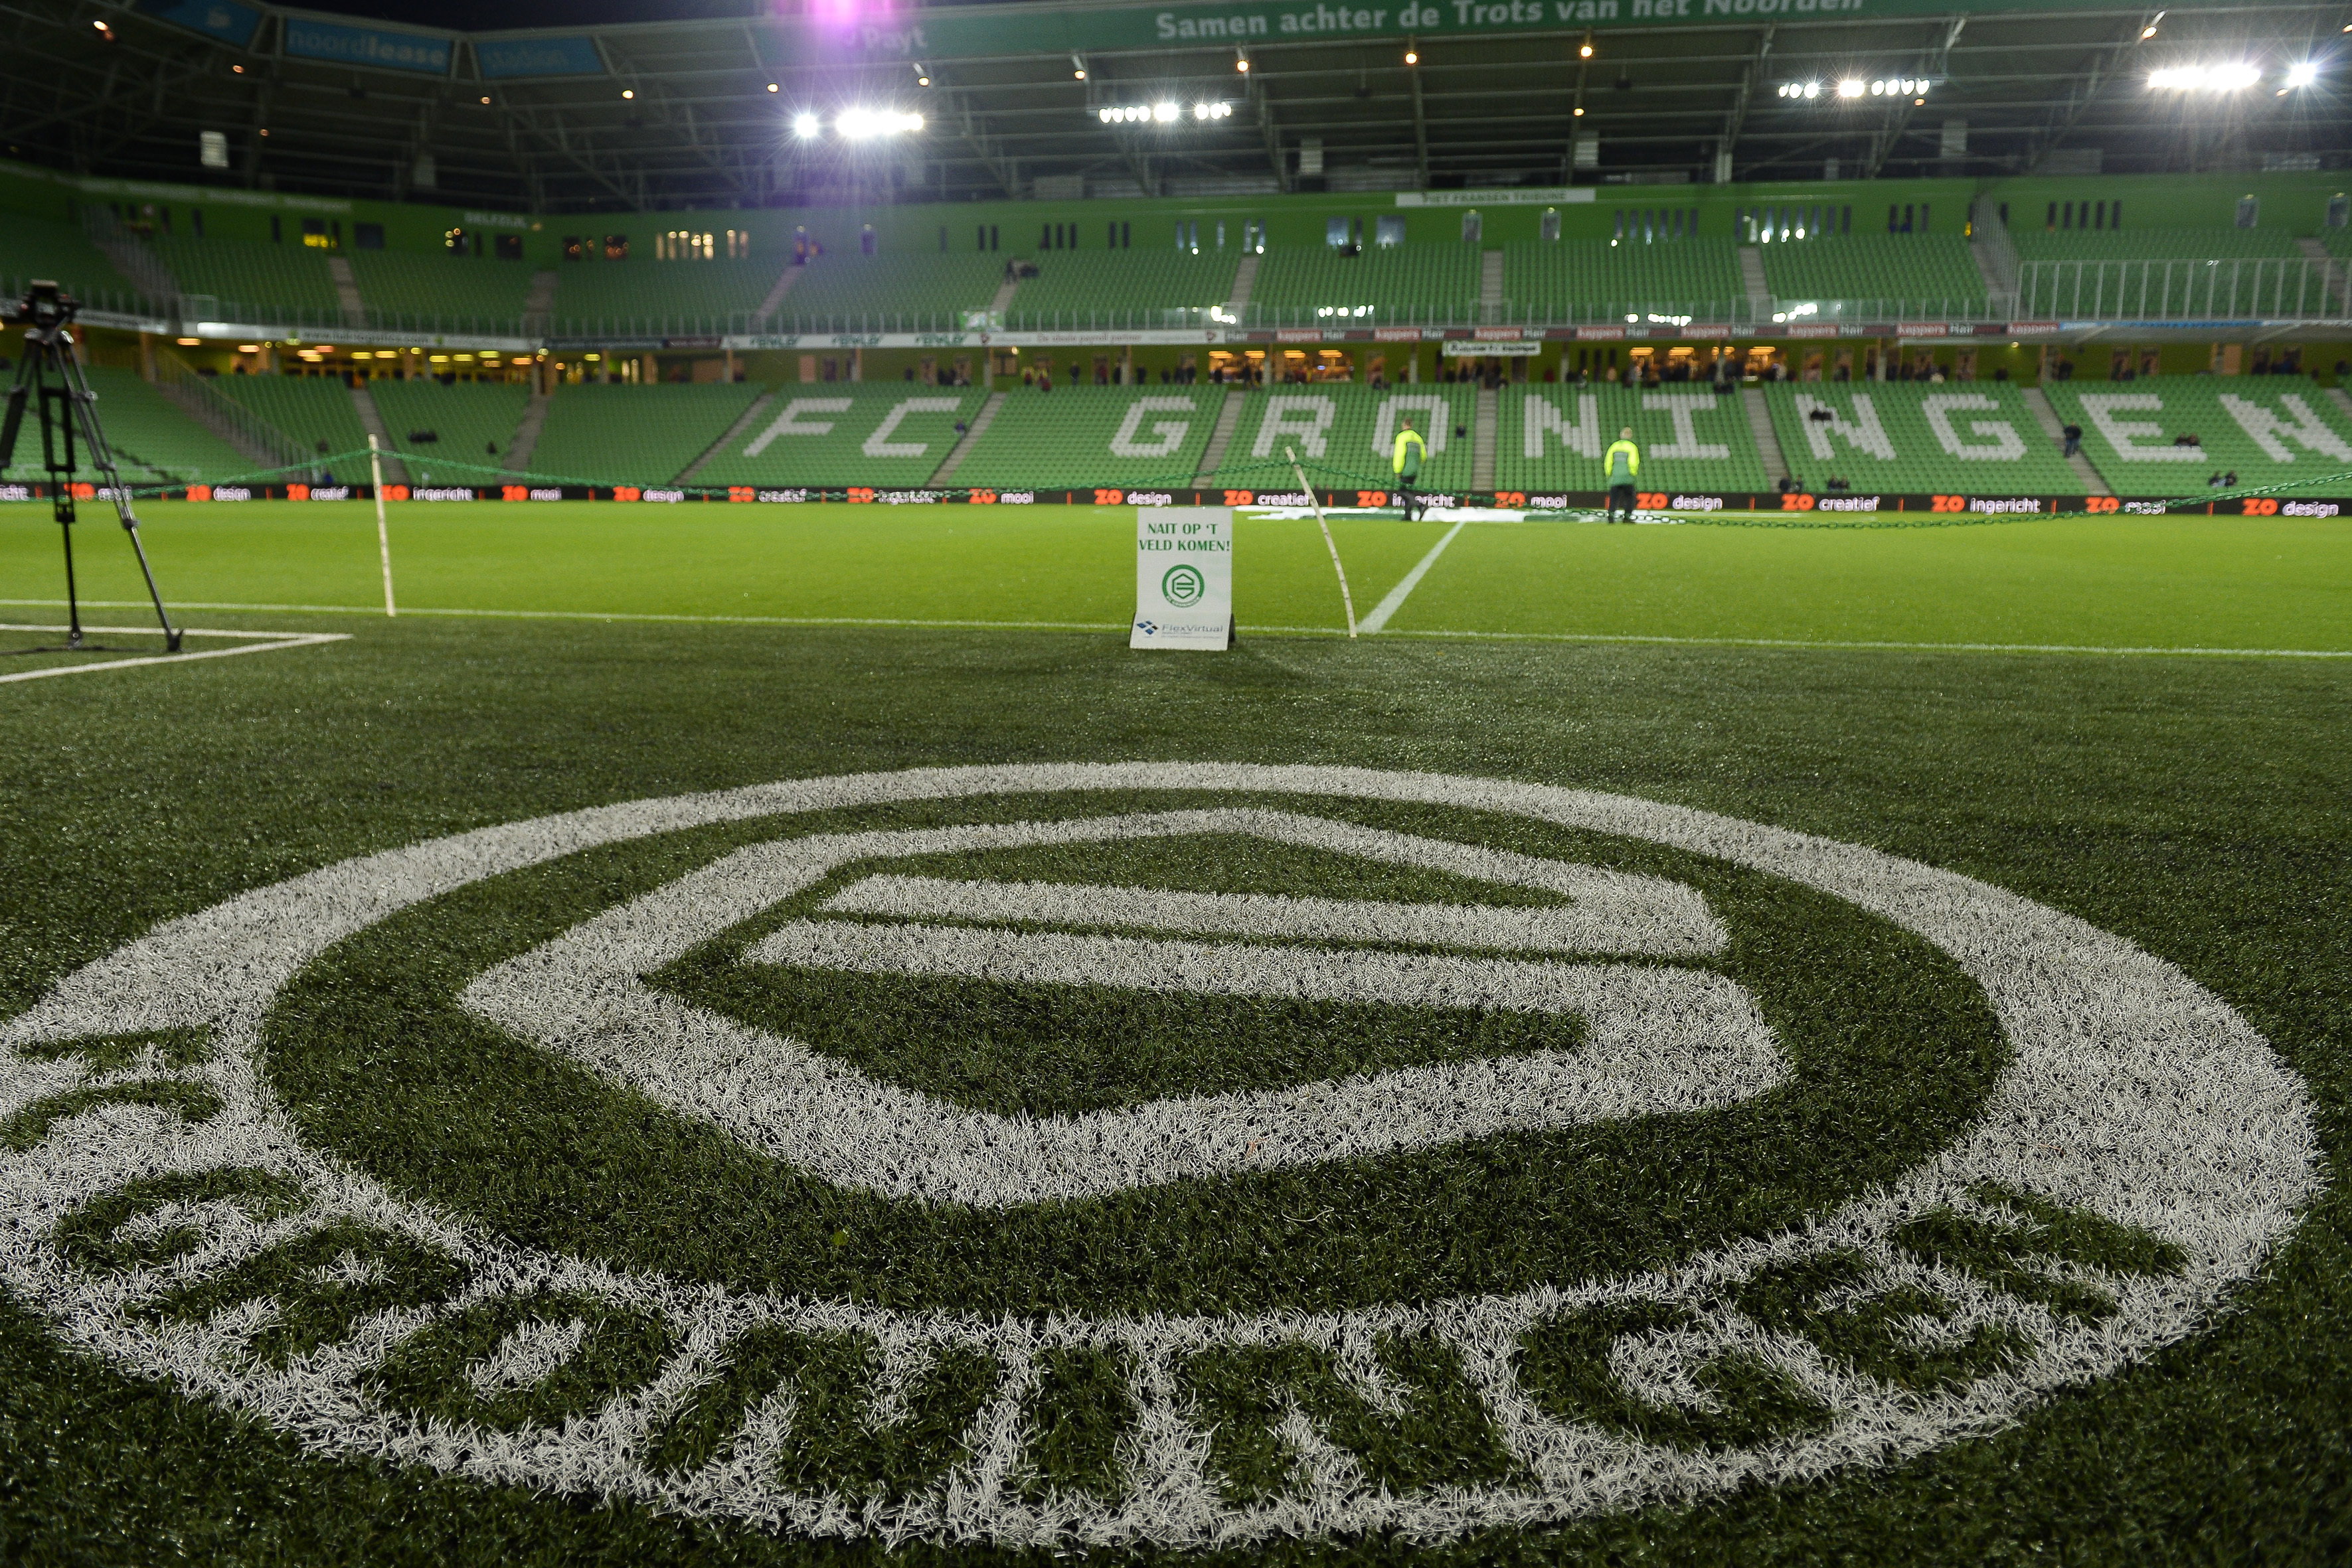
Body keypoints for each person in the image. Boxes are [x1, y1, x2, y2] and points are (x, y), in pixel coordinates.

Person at [1392, 416, 1427, 522]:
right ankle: (1408, 516)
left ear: (1404, 425)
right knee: (1409, 492)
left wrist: (1398, 470)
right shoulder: (1418, 437)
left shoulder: (1402, 437)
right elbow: (1424, 456)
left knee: (1403, 492)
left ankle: (1420, 505)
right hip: (1414, 470)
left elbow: (1400, 454)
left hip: (1406, 469)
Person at [1603, 426, 1640, 522]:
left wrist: (1610, 473)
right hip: (1627, 477)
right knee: (1629, 498)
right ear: (1630, 436)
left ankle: (1611, 517)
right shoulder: (1632, 447)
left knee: (1614, 499)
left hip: (1615, 478)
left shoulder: (1614, 446)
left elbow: (1608, 461)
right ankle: (1627, 518)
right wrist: (1633, 473)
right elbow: (1633, 462)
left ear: (1621, 435)